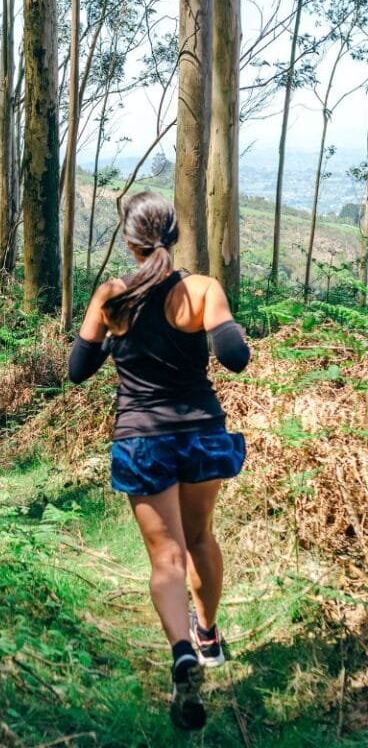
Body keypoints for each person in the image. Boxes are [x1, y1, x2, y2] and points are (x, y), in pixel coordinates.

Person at [68, 191, 250, 731]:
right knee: (200, 539)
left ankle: (180, 652)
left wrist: (110, 342)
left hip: (142, 439)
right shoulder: (201, 289)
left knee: (165, 559)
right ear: (173, 234)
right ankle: (209, 633)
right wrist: (227, 329)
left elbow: (78, 368)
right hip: (199, 433)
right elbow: (235, 358)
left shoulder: (112, 296)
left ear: (129, 239)